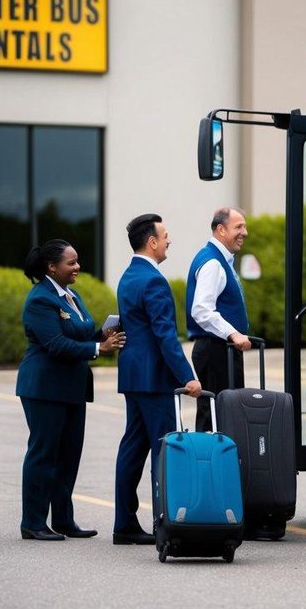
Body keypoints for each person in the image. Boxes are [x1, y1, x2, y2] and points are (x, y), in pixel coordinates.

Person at [17, 239, 126, 541]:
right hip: (45, 387)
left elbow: (77, 334)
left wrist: (100, 334)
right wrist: (98, 347)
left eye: (77, 261)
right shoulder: (40, 299)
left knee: (69, 455)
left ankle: (64, 520)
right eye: (71, 262)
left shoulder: (71, 295)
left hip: (73, 388)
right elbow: (56, 344)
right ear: (52, 267)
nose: (77, 267)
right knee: (43, 454)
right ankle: (33, 522)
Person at [113, 213, 202, 545]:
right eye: (165, 236)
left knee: (132, 449)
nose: (168, 241)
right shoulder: (153, 280)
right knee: (162, 451)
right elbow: (166, 336)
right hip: (154, 380)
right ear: (151, 241)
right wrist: (188, 377)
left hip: (133, 376)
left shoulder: (128, 276)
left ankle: (124, 523)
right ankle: (163, 523)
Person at [187, 207, 252, 432]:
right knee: (215, 419)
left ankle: (218, 465)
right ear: (221, 230)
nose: (245, 232)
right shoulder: (213, 263)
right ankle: (209, 466)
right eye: (239, 227)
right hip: (216, 349)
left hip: (221, 349)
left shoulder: (219, 259)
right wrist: (233, 333)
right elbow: (201, 310)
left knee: (221, 415)